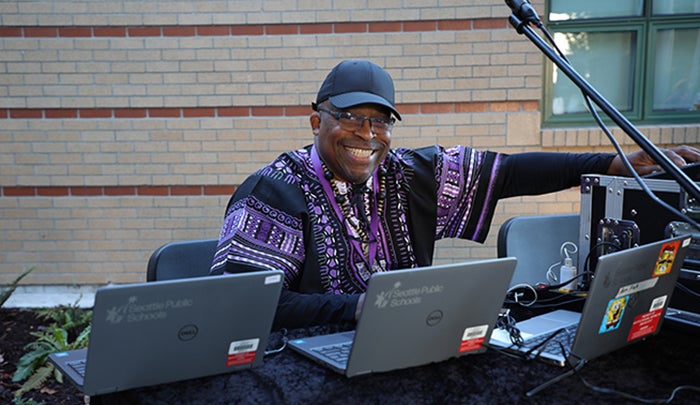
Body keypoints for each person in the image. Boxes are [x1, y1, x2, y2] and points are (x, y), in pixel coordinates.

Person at [211, 59, 700, 330]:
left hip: (404, 346)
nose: (367, 134)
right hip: (303, 364)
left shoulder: (408, 175)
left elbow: (508, 173)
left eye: (379, 121)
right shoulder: (272, 192)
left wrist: (611, 163)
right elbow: (245, 304)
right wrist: (361, 308)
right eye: (350, 117)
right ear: (318, 121)